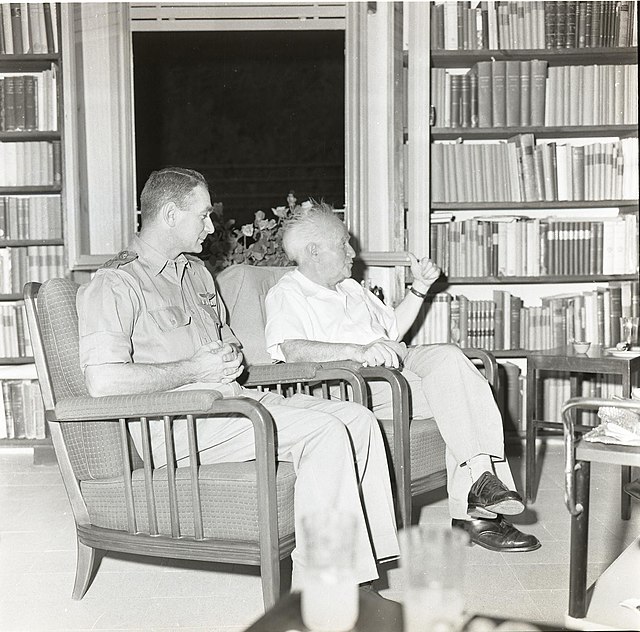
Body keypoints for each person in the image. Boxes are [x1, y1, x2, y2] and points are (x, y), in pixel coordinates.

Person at [76, 168, 400, 590]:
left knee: (358, 420)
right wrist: (195, 370)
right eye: (204, 216)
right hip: (176, 423)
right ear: (171, 215)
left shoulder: (195, 275)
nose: (212, 228)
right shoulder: (116, 284)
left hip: (228, 404)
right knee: (324, 432)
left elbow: (228, 351)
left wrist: (229, 362)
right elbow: (102, 382)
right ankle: (327, 591)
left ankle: (364, 576)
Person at [264, 201, 541, 553]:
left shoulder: (350, 287)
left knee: (450, 358)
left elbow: (392, 329)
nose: (352, 252)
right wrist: (355, 351)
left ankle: (478, 490)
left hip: (396, 364)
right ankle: (478, 512)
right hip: (353, 382)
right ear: (314, 251)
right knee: (462, 393)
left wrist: (421, 287)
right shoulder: (289, 293)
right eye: (343, 244)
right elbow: (292, 350)